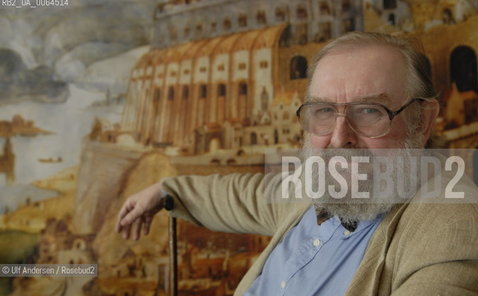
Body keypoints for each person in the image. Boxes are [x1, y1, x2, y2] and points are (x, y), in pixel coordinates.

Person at [116, 32, 478, 295]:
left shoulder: (451, 222)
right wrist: (164, 189)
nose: (339, 139)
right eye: (323, 111)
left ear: (423, 120)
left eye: (370, 111)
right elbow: (238, 194)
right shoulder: (315, 188)